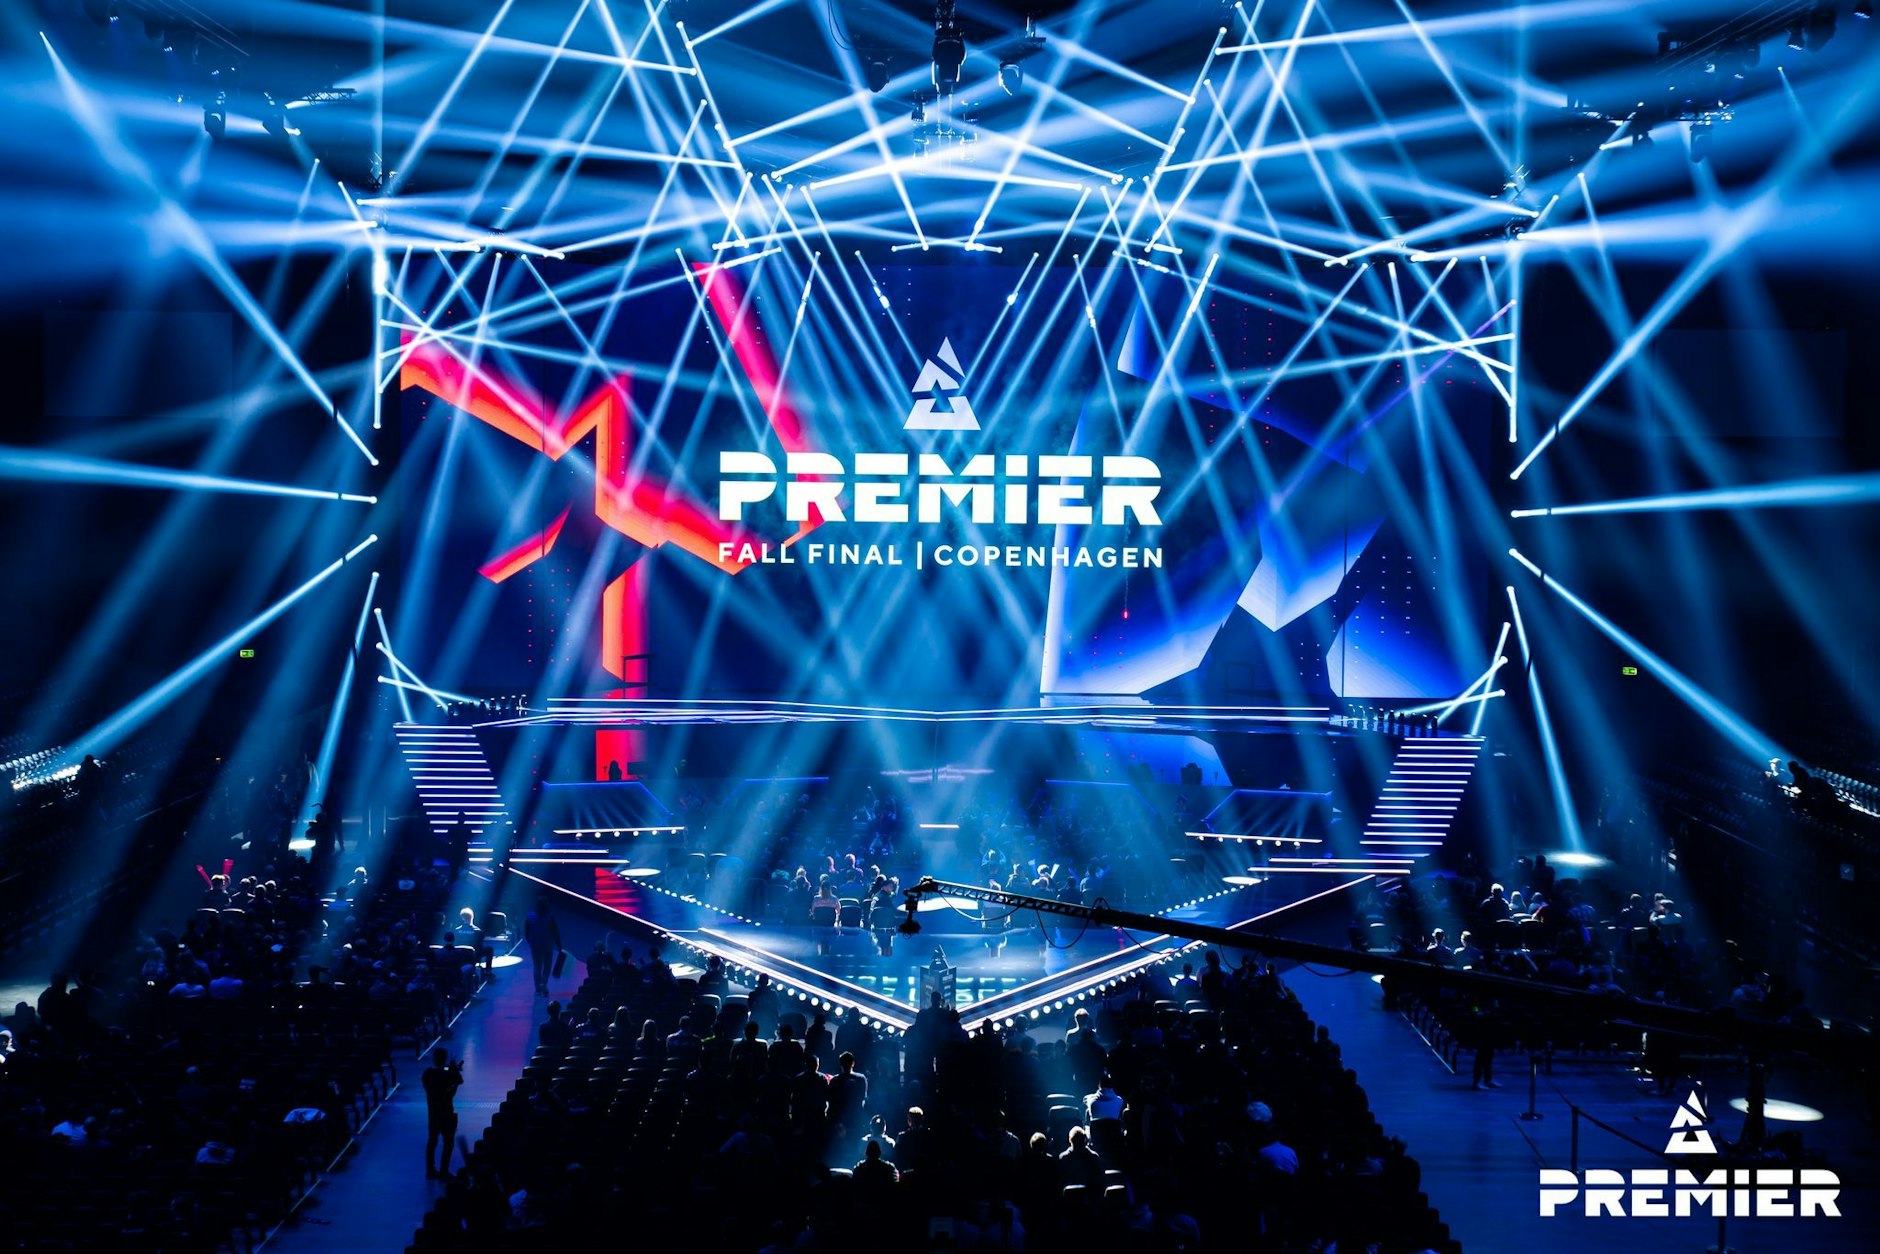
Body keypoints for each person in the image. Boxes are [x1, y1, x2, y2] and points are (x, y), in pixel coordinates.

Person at [421, 1048, 465, 1178]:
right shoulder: (446, 1075)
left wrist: (452, 1074)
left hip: (434, 1113)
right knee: (448, 1142)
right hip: (446, 1112)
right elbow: (451, 1090)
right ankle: (444, 1171)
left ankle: (430, 1170)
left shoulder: (428, 1074)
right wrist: (454, 1073)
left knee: (432, 1141)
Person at [523, 899, 561, 996]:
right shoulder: (550, 917)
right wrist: (559, 946)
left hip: (535, 946)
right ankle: (543, 983)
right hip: (547, 945)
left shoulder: (530, 916)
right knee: (547, 966)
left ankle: (537, 989)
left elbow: (526, 932)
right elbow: (555, 932)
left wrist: (530, 942)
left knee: (537, 966)